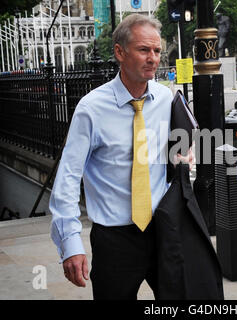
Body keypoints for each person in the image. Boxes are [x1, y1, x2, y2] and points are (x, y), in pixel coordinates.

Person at [49, 14, 192, 300]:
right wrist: (70, 242)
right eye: (143, 50)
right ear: (119, 52)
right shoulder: (91, 109)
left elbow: (181, 151)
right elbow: (67, 177)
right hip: (114, 240)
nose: (153, 58)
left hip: (163, 229)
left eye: (156, 50)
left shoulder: (166, 99)